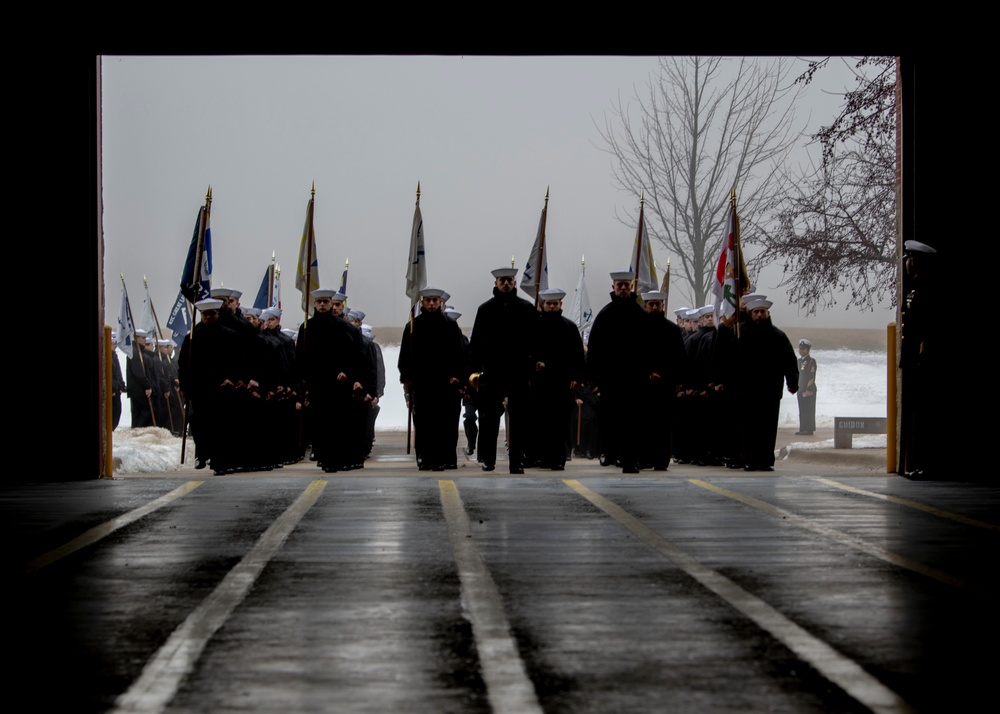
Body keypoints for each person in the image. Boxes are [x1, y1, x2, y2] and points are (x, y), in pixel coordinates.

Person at [469, 267, 537, 473]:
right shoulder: (485, 310)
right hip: (493, 371)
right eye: (502, 280)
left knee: (518, 420)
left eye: (509, 280)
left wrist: (531, 372)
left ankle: (516, 462)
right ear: (495, 283)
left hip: (518, 372)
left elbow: (535, 342)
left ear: (514, 283)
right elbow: (476, 344)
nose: (506, 283)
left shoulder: (526, 309)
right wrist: (474, 372)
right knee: (489, 419)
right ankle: (488, 460)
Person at [295, 288, 368, 473]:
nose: (322, 305)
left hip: (339, 385)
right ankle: (325, 458)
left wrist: (349, 373)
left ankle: (339, 458)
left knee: (339, 423)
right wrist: (304, 380)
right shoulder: (307, 328)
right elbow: (301, 358)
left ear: (331, 304)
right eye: (319, 302)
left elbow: (357, 356)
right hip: (318, 384)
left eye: (326, 302)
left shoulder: (345, 327)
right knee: (321, 424)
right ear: (314, 304)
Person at [586, 271, 649, 473]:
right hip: (611, 379)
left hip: (634, 379)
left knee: (633, 420)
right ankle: (610, 452)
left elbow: (649, 347)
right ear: (613, 287)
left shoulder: (640, 315)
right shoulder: (605, 315)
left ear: (631, 288)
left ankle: (630, 458)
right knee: (611, 420)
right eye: (620, 285)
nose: (623, 288)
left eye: (626, 285)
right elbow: (594, 348)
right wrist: (594, 379)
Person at [398, 287, 468, 471]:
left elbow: (459, 355)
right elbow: (405, 355)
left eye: (434, 300)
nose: (431, 303)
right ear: (421, 302)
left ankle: (440, 458)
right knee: (423, 423)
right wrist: (407, 377)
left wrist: (457, 376)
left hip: (444, 384)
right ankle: (423, 457)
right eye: (428, 300)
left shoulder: (450, 326)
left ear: (440, 302)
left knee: (442, 423)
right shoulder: (413, 326)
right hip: (422, 383)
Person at [734, 296, 798, 471]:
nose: (759, 315)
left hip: (770, 390)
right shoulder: (741, 335)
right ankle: (749, 459)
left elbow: (789, 361)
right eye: (756, 312)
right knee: (749, 427)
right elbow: (732, 362)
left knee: (768, 427)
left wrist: (792, 382)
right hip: (748, 390)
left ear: (767, 313)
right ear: (751, 314)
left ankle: (765, 460)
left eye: (762, 312)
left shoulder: (778, 336)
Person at [528, 288, 586, 470]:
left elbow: (577, 357)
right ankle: (538, 457)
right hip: (539, 385)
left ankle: (558, 459)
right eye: (548, 304)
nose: (552, 307)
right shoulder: (534, 327)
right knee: (539, 422)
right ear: (543, 305)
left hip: (562, 384)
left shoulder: (569, 328)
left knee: (560, 424)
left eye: (555, 304)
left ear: (560, 305)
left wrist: (578, 378)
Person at [640, 290, 687, 470]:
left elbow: (678, 359)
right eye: (650, 304)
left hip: (664, 386)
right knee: (644, 424)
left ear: (662, 306)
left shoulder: (673, 330)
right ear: (645, 306)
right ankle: (644, 458)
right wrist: (646, 373)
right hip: (643, 385)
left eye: (657, 304)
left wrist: (665, 375)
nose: (654, 307)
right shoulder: (637, 328)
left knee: (662, 425)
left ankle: (661, 460)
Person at [796, 339, 817, 436]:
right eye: (800, 349)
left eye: (803, 349)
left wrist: (809, 389)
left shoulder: (811, 361)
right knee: (802, 409)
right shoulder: (798, 361)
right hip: (800, 389)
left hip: (809, 389)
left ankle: (809, 429)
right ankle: (803, 428)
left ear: (808, 350)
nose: (801, 351)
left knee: (809, 409)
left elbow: (811, 376)